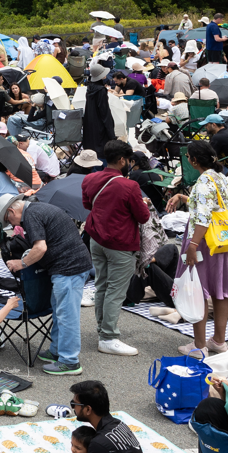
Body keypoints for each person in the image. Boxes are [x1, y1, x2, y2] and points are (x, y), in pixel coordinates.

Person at [0, 193, 94, 376]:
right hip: (68, 266)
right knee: (60, 311)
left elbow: (40, 248)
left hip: (69, 268)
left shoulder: (31, 215)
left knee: (67, 316)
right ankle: (57, 350)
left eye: (9, 221)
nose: (13, 226)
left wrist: (21, 263)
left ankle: (70, 361)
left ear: (11, 211)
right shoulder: (37, 209)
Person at [171, 141, 228, 357]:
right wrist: (185, 198)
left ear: (194, 160)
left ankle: (199, 345)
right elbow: (213, 205)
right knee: (219, 291)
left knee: (198, 290)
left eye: (188, 156)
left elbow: (203, 216)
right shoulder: (220, 177)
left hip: (202, 239)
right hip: (222, 238)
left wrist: (193, 245)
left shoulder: (203, 182)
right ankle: (219, 341)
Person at [81, 140, 149, 357]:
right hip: (120, 242)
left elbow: (87, 205)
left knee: (102, 285)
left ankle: (103, 330)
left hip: (96, 239)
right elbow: (143, 216)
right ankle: (108, 336)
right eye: (128, 160)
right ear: (122, 160)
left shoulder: (90, 178)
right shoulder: (129, 186)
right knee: (115, 291)